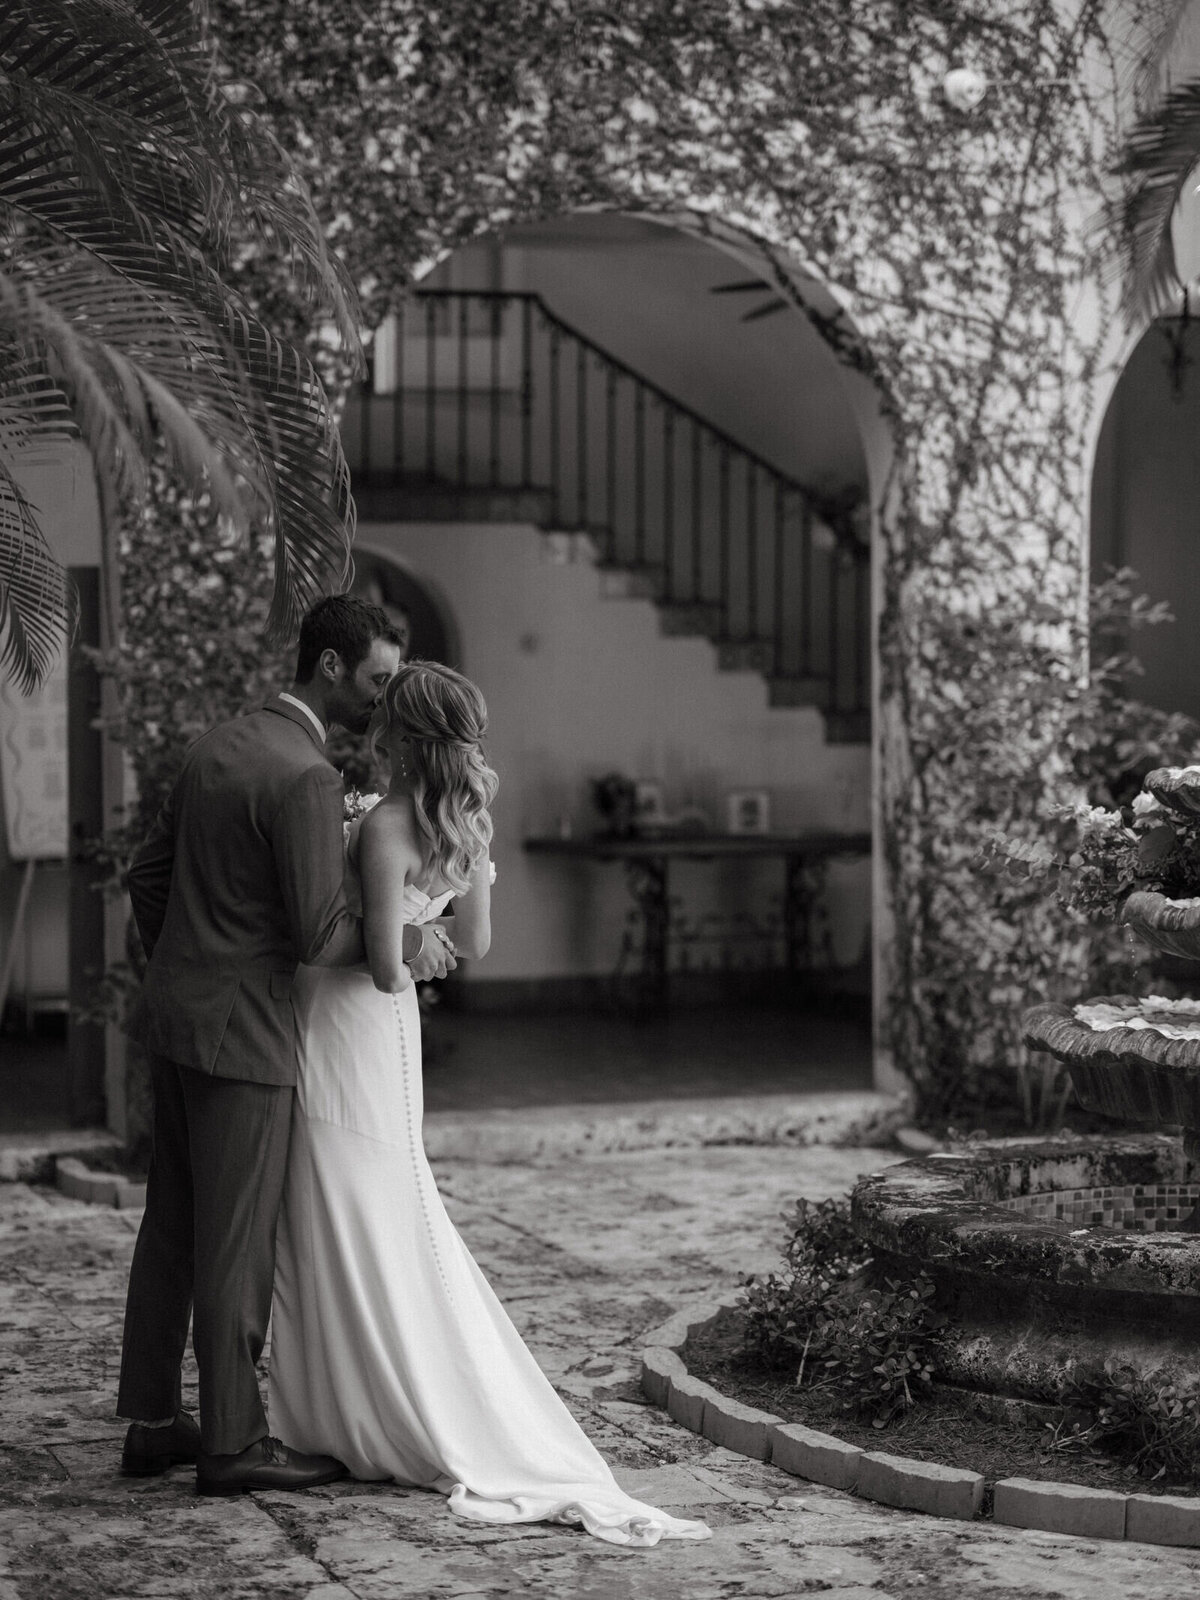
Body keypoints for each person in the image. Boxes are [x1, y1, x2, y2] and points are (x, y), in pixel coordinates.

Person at [267, 661, 711, 1547]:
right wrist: (429, 929)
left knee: (334, 1202)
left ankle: (345, 1402)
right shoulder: (465, 822)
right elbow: (475, 941)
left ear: (399, 734)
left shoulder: (384, 825)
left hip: (346, 1026)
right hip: (393, 1038)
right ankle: (377, 1383)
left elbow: (386, 962)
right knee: (383, 1200)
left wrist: (397, 927)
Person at [116, 595, 456, 1496]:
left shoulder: (219, 742)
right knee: (237, 1240)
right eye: (378, 681)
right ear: (332, 667)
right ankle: (232, 1443)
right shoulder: (306, 774)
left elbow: (147, 877)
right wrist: (413, 942)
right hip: (245, 1030)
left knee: (173, 1225)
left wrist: (193, 957)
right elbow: (318, 933)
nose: (385, 702)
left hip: (180, 1018)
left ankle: (152, 1422)